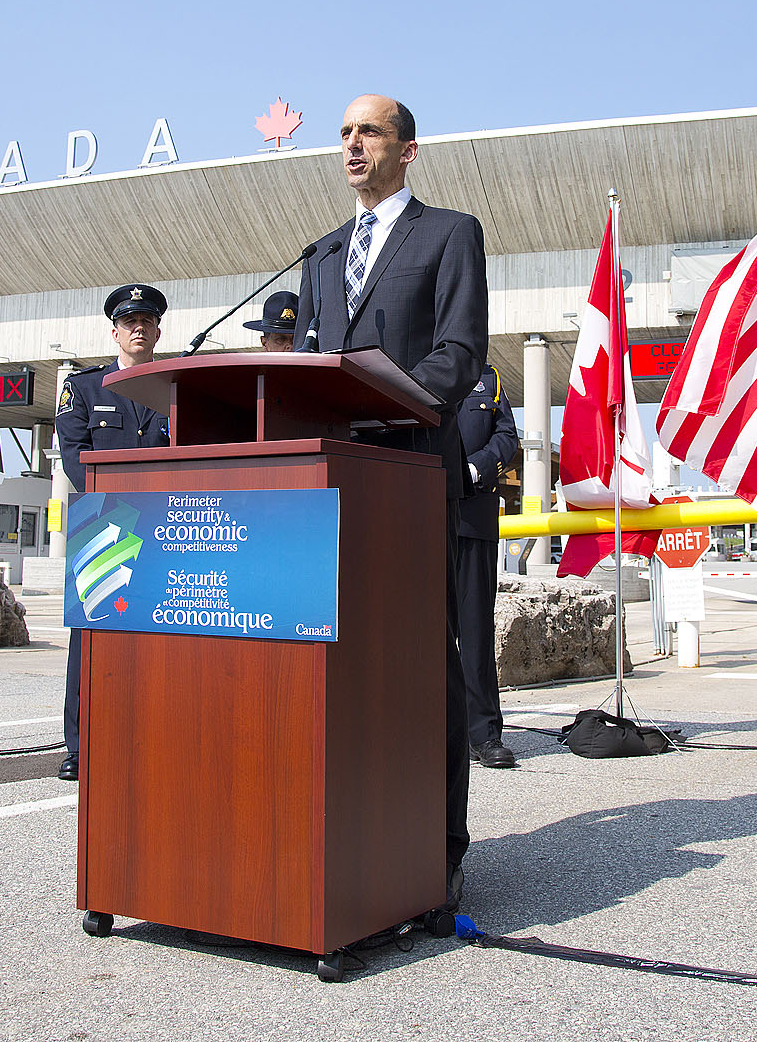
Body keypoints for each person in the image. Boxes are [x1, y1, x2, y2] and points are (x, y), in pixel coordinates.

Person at [294, 93, 487, 909]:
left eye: (367, 131)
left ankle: (434, 847)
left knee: (417, 665)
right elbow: (305, 368)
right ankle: (338, 839)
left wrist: (380, 402)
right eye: (343, 133)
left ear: (408, 150)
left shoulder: (448, 234)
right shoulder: (321, 251)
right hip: (325, 486)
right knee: (329, 661)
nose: (351, 145)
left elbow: (459, 352)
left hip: (406, 477)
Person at [53, 284, 171, 782]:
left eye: (146, 321)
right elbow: (75, 455)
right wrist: (124, 502)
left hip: (166, 524)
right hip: (103, 523)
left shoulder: (175, 385)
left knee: (162, 633)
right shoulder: (84, 388)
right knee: (92, 640)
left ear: (158, 330)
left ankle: (152, 736)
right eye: (129, 322)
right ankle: (80, 747)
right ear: (116, 330)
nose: (138, 328)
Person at [456, 364, 520, 770]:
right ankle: (427, 729)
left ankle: (483, 733)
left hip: (473, 520)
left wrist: (477, 466)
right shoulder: (411, 362)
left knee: (475, 630)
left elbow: (507, 436)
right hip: (418, 516)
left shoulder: (490, 379)